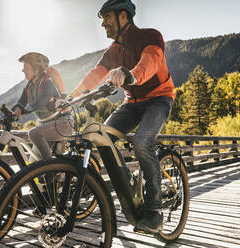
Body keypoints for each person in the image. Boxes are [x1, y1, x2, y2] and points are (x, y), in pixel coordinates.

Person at [70, 0, 175, 234]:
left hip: (159, 99)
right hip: (132, 103)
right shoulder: (114, 51)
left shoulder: (150, 36)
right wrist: (72, 96)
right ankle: (129, 183)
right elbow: (97, 73)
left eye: (107, 17)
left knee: (142, 142)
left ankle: (155, 211)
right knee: (103, 137)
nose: (103, 24)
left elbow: (149, 62)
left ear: (124, 16)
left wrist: (130, 75)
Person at [14, 52, 73, 160]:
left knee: (34, 134)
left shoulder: (47, 82)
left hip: (63, 123)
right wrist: (13, 111)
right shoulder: (30, 86)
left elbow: (44, 99)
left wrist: (26, 109)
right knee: (33, 164)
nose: (23, 70)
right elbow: (21, 102)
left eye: (26, 67)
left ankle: (48, 169)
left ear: (36, 70)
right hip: (47, 126)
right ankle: (49, 172)